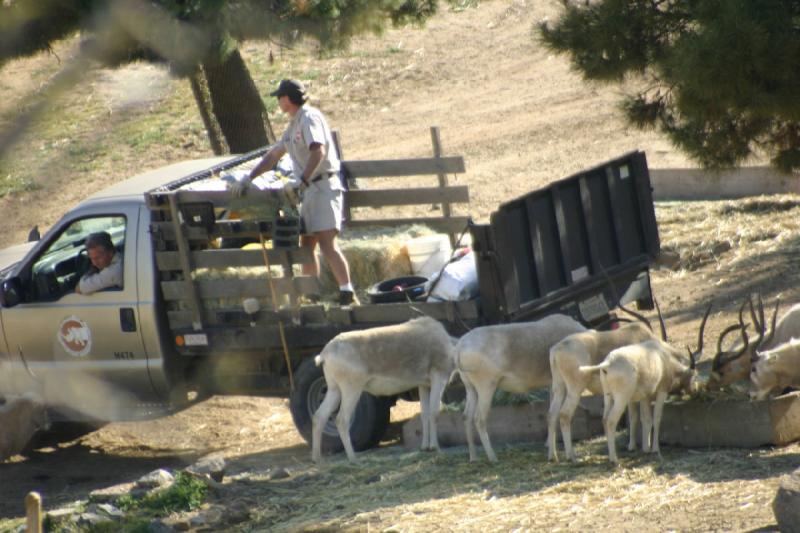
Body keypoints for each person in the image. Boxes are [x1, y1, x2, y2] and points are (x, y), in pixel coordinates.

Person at [230, 79, 358, 306]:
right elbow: (273, 156)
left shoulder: (309, 118)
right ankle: (311, 293)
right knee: (306, 244)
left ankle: (347, 292)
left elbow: (318, 151)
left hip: (323, 186)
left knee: (327, 242)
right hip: (309, 190)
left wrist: (301, 180)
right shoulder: (292, 126)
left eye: (279, 97)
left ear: (287, 98)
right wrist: (248, 178)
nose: (278, 102)